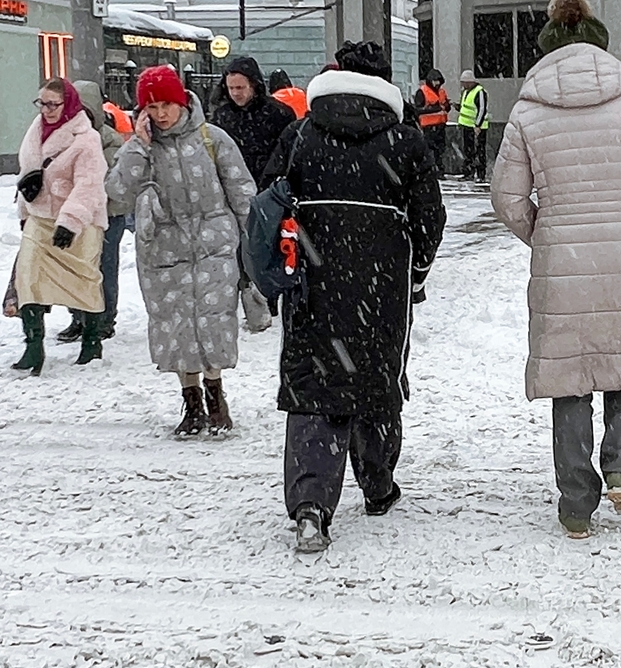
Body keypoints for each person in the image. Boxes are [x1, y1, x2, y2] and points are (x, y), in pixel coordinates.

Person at [491, 0, 621, 540]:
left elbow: (506, 197)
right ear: (600, 40)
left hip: (562, 254)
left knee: (570, 375)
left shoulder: (528, 109)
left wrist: (544, 233)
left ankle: (577, 501)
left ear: (548, 46)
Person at [277, 41, 445, 554]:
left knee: (314, 386)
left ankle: (310, 505)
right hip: (382, 283)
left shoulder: (302, 133)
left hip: (312, 280)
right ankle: (377, 487)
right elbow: (429, 218)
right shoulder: (404, 138)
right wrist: (416, 270)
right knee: (376, 379)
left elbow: (269, 200)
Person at [106, 65, 257, 436]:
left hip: (213, 245)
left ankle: (216, 397)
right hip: (163, 251)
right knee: (175, 327)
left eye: (166, 105)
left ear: (180, 101)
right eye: (151, 106)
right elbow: (117, 193)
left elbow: (241, 189)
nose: (160, 114)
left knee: (213, 321)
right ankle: (191, 401)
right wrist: (138, 146)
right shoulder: (140, 148)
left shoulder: (211, 138)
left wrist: (252, 241)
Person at [10, 76, 110, 374]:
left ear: (68, 105)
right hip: (39, 218)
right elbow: (28, 173)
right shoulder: (34, 131)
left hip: (80, 222)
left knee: (84, 280)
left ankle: (92, 342)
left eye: (53, 104)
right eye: (42, 103)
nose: (47, 109)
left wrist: (70, 222)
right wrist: (24, 213)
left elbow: (89, 184)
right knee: (27, 279)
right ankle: (33, 346)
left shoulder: (86, 138)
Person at [206, 55, 294, 332]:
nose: (236, 94)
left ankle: (271, 294)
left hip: (269, 192)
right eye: (231, 88)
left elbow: (287, 154)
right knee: (238, 248)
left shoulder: (279, 114)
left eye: (240, 88)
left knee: (269, 246)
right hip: (231, 193)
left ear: (254, 85)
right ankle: (249, 296)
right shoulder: (221, 117)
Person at [54, 81, 129, 345]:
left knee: (104, 267)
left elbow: (110, 180)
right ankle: (78, 317)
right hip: (75, 216)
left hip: (108, 215)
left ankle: (104, 320)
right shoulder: (62, 140)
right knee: (74, 267)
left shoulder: (109, 141)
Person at [412, 68, 451, 173]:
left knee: (440, 150)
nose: (437, 83)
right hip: (428, 126)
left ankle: (439, 169)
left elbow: (446, 107)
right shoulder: (422, 92)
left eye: (439, 81)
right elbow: (417, 110)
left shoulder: (442, 92)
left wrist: (447, 106)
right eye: (435, 81)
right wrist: (434, 108)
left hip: (441, 126)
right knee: (430, 150)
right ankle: (432, 169)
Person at [457, 69, 490, 183]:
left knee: (479, 150)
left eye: (464, 83)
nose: (463, 85)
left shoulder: (480, 92)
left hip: (477, 127)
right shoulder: (466, 92)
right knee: (468, 151)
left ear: (470, 82)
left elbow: (482, 109)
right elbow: (466, 107)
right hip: (467, 126)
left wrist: (478, 125)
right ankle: (468, 172)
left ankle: (481, 174)